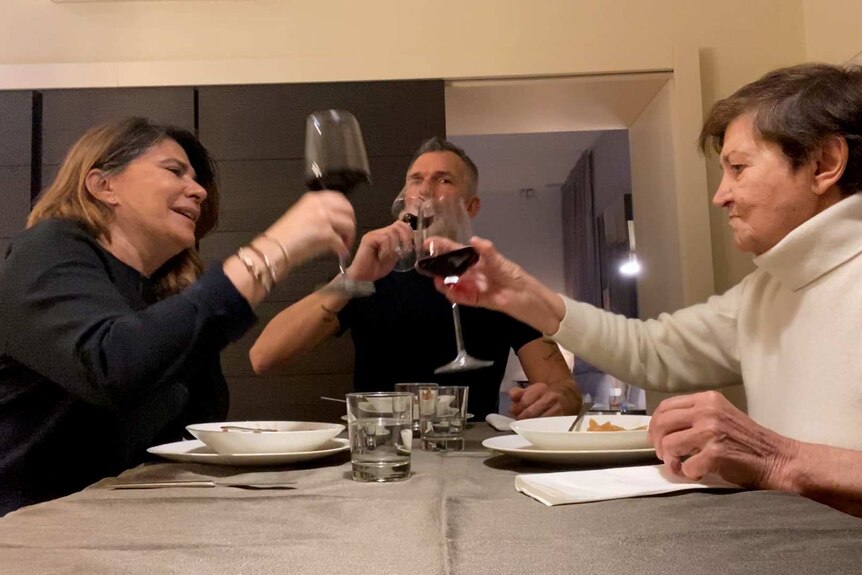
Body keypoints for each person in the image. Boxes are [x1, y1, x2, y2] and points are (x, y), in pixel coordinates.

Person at [431, 63, 862, 517]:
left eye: (738, 168)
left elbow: (778, 461)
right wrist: (519, 293)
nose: (721, 195)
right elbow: (650, 350)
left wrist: (778, 459)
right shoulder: (763, 292)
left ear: (824, 164)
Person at [0, 117, 356, 515]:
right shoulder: (46, 249)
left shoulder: (164, 292)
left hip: (126, 521)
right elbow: (110, 365)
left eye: (197, 180)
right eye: (174, 171)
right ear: (103, 184)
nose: (199, 190)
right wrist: (274, 250)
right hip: (27, 530)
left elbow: (194, 428)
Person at [250, 137, 581, 419]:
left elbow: (564, 388)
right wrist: (353, 276)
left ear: (471, 207)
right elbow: (263, 356)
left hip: (473, 461)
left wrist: (556, 401)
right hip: (381, 455)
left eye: (443, 180)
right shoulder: (368, 275)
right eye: (416, 179)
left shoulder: (498, 284)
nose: (425, 190)